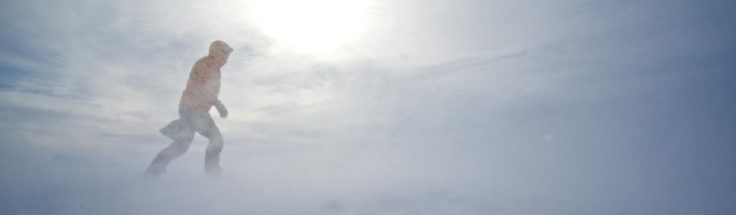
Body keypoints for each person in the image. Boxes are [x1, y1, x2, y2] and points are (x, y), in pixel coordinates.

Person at [145, 40, 234, 177]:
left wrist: (215, 104)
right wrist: (218, 105)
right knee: (216, 139)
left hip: (191, 108)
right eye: (226, 53)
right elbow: (202, 87)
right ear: (218, 52)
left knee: (182, 145)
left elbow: (206, 89)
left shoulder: (213, 66)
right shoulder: (207, 64)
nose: (227, 57)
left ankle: (153, 171)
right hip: (194, 109)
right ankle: (213, 175)